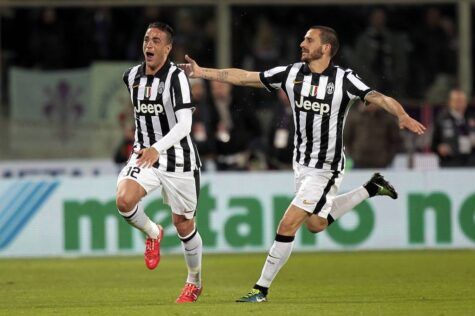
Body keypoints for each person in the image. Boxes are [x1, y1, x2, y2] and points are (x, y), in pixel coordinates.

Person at [180, 25, 425, 302]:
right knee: (316, 224)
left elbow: (377, 96)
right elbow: (246, 77)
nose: (302, 43)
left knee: (288, 224)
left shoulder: (344, 80)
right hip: (302, 164)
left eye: (310, 40)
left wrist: (401, 114)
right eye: (304, 39)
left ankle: (260, 289)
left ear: (326, 48)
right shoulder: (292, 73)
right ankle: (371, 188)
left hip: (326, 168)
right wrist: (203, 73)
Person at [115, 22, 203, 303]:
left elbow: (185, 124)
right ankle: (153, 232)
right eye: (146, 39)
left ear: (168, 48)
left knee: (184, 225)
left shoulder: (176, 78)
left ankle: (194, 282)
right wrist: (148, 147)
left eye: (156, 41)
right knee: (124, 201)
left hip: (179, 159)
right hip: (145, 155)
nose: (149, 45)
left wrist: (158, 147)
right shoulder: (131, 77)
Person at [344, 102, 402, 169]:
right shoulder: (353, 117)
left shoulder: (387, 118)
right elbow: (346, 138)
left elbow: (395, 140)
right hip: (359, 162)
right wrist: (353, 156)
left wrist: (388, 158)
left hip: (381, 163)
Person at [431, 89, 475, 167]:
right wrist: (440, 148)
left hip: (471, 162)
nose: (459, 103)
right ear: (450, 102)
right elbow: (434, 144)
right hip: (450, 163)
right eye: (457, 100)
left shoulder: (471, 117)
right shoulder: (442, 118)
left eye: (462, 100)